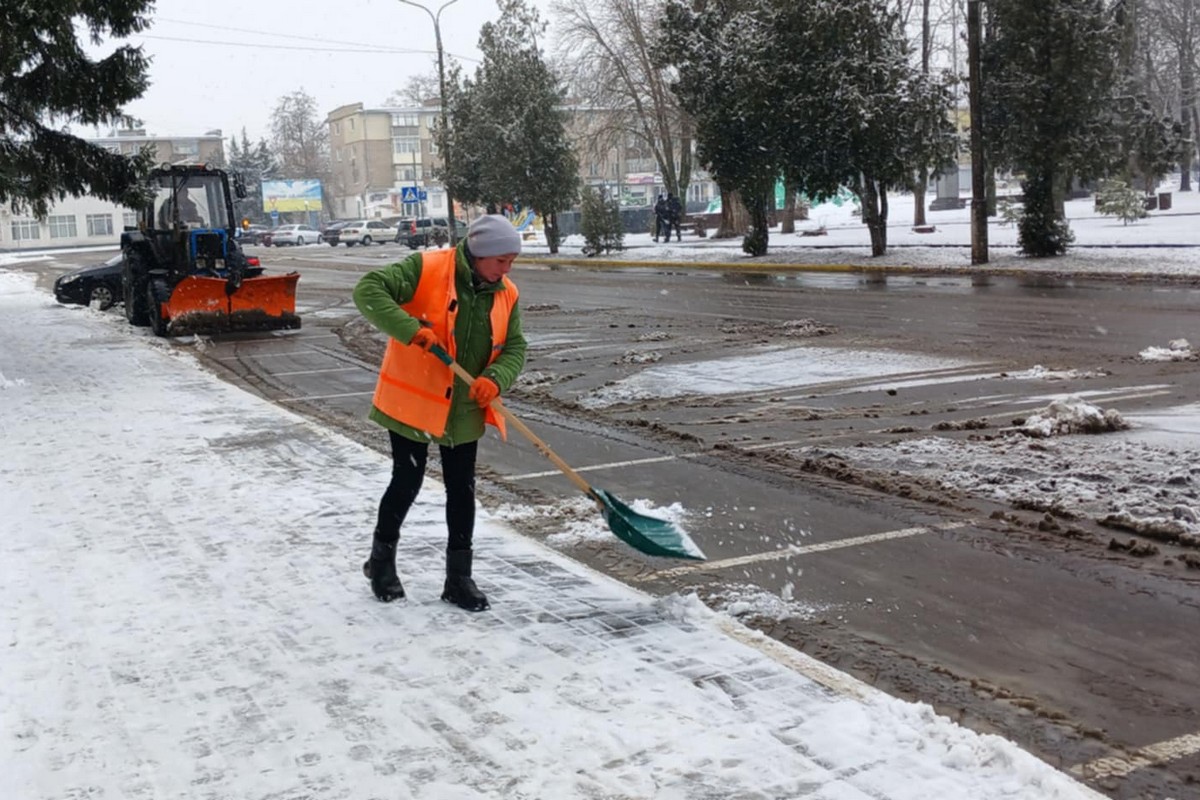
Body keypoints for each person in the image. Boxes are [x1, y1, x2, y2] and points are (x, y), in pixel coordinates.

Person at [352, 214, 527, 612]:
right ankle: (380, 563)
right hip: (413, 400)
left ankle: (458, 579)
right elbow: (368, 290)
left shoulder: (506, 293)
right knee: (407, 479)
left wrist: (495, 378)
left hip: (463, 406)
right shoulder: (427, 267)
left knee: (462, 490)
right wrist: (409, 328)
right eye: (501, 260)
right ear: (479, 253)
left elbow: (516, 346)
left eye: (511, 261)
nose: (507, 269)